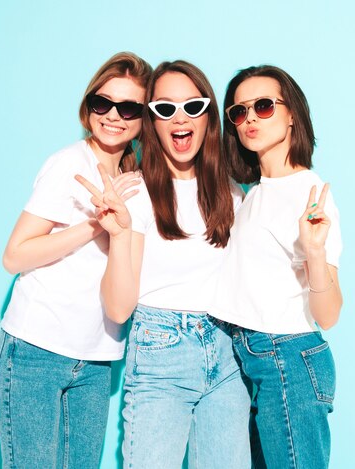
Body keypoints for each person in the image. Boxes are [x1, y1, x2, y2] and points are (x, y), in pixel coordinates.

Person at [77, 60, 251, 469]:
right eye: (165, 109)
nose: (179, 118)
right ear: (152, 122)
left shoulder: (233, 193)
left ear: (208, 117)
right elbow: (118, 309)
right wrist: (118, 234)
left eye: (192, 106)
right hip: (160, 354)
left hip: (228, 355)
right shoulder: (136, 193)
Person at [0, 52, 152, 468]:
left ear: (143, 117)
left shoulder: (137, 179)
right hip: (35, 352)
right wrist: (93, 227)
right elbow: (15, 255)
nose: (113, 116)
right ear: (89, 105)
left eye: (129, 107)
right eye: (104, 103)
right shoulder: (67, 165)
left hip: (96, 359)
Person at [209, 65, 344, 469]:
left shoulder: (308, 193)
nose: (249, 118)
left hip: (287, 358)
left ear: (291, 115)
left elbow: (329, 313)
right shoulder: (253, 194)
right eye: (239, 111)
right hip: (254, 360)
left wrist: (315, 253)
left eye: (264, 106)